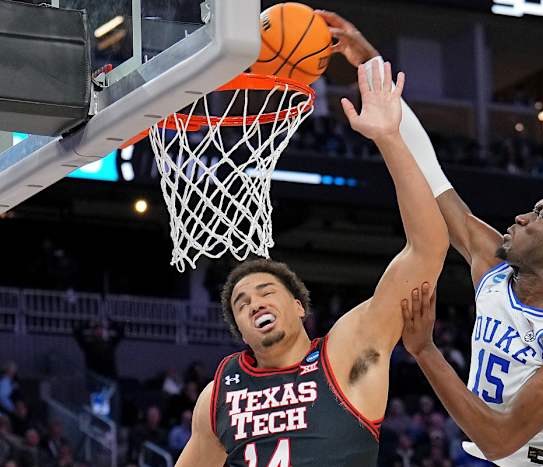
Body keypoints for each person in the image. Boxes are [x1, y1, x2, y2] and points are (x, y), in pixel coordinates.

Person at [312, 10, 543, 466]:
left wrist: (423, 351)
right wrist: (369, 63)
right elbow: (433, 175)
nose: (520, 217)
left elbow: (500, 439)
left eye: (539, 216)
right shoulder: (494, 265)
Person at [174, 61, 449, 465]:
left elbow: (427, 249)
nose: (254, 303)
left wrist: (389, 138)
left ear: (299, 307)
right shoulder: (218, 396)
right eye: (242, 303)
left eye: (267, 292)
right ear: (240, 330)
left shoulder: (346, 352)